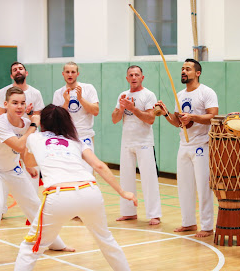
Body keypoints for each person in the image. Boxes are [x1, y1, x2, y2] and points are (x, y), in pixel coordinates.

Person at [14, 104, 137, 271]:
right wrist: (122, 192)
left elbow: (27, 161)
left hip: (59, 195)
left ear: (43, 123)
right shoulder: (75, 140)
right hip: (90, 191)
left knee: (30, 248)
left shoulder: (34, 138)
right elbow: (99, 166)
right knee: (107, 241)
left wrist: (33, 125)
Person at [0, 87, 73, 269]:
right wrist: (34, 126)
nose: (19, 106)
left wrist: (28, 165)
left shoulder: (26, 124)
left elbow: (26, 148)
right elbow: (20, 145)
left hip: (12, 167)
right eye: (14, 103)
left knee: (34, 204)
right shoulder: (0, 123)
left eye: (22, 103)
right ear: (6, 104)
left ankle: (55, 243)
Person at [155, 59, 218, 237]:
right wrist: (166, 112)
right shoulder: (180, 95)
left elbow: (213, 116)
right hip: (184, 145)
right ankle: (188, 222)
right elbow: (178, 123)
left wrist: (192, 116)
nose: (184, 71)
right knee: (184, 185)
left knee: (203, 186)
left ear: (197, 73)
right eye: (182, 69)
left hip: (201, 145)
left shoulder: (207, 92)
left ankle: (206, 225)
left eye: (188, 69)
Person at [111, 65, 162, 225]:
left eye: (137, 74)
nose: (133, 77)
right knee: (126, 178)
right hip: (127, 142)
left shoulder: (148, 95)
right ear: (127, 78)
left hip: (144, 142)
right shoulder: (123, 95)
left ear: (142, 77)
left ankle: (154, 214)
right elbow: (114, 119)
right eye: (131, 75)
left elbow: (150, 119)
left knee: (149, 178)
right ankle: (128, 212)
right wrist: (121, 108)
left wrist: (133, 109)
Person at [0, 62, 45, 212]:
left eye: (20, 69)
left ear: (26, 72)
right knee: (5, 170)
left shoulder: (35, 93)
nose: (18, 71)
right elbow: (1, 116)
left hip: (29, 136)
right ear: (11, 75)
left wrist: (29, 115)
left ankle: (32, 210)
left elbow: (38, 116)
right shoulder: (3, 91)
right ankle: (1, 210)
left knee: (32, 170)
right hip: (10, 137)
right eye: (15, 70)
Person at [52, 62, 99, 173]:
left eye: (73, 72)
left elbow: (95, 111)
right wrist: (66, 102)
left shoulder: (88, 88)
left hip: (84, 135)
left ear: (77, 74)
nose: (70, 74)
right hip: (66, 136)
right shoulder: (58, 93)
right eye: (67, 72)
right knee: (69, 171)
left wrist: (81, 99)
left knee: (87, 170)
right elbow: (56, 119)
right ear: (63, 74)